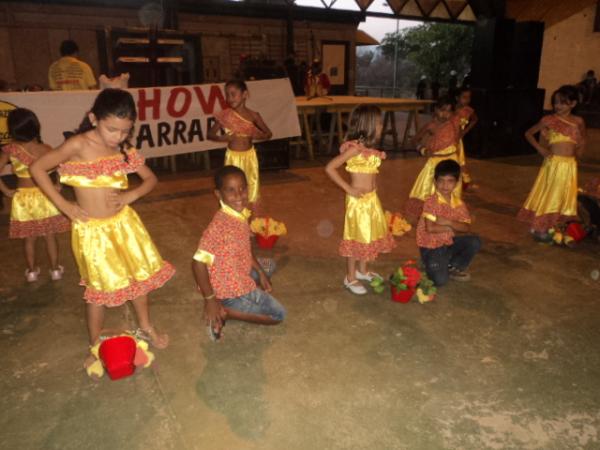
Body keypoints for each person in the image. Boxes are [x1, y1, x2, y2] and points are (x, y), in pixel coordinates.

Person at [30, 89, 174, 372]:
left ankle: (146, 327)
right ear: (94, 118)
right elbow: (37, 168)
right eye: (112, 129)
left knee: (139, 281)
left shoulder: (124, 149)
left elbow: (150, 179)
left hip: (125, 227)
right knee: (97, 291)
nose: (118, 137)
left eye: (125, 131)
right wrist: (64, 205)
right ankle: (95, 344)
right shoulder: (78, 145)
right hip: (92, 233)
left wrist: (129, 196)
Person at [192, 165, 285, 340]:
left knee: (268, 265)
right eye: (231, 190)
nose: (239, 195)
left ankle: (238, 295)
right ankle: (224, 311)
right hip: (228, 288)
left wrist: (260, 273)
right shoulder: (219, 227)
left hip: (233, 270)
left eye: (242, 189)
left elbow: (245, 249)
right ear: (218, 195)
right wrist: (210, 299)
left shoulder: (239, 214)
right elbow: (197, 263)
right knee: (278, 315)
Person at [325, 105, 395, 295]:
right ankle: (350, 276)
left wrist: (375, 188)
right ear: (369, 125)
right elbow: (330, 168)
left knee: (369, 235)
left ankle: (363, 271)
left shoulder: (370, 149)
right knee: (356, 237)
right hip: (358, 203)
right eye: (379, 123)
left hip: (371, 200)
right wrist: (348, 188)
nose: (382, 126)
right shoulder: (354, 149)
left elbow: (371, 172)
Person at [0, 108, 70, 282]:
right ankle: (55, 270)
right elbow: (61, 167)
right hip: (45, 195)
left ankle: (31, 271)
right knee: (49, 236)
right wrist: (57, 185)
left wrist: (6, 190)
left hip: (23, 199)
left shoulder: (10, 150)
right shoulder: (45, 148)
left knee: (29, 238)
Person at [517, 85, 586, 241]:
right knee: (550, 195)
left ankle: (555, 225)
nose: (558, 106)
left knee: (564, 196)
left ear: (573, 104)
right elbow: (528, 133)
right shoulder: (549, 120)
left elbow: (582, 140)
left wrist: (577, 156)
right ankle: (539, 226)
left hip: (569, 166)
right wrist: (540, 149)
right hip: (553, 164)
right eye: (556, 102)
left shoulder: (578, 121)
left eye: (563, 102)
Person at [208, 79, 272, 210]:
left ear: (244, 95)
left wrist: (257, 136)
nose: (229, 98)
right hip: (233, 158)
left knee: (250, 189)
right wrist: (224, 138)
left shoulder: (254, 115)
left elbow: (268, 134)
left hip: (250, 158)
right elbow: (210, 134)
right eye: (227, 95)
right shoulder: (226, 116)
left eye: (233, 94)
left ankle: (249, 220)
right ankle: (230, 218)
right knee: (230, 188)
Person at [417, 160, 481, 286]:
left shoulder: (459, 204)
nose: (445, 186)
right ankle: (427, 261)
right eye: (441, 181)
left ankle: (452, 266)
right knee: (439, 281)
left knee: (474, 241)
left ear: (456, 184)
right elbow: (430, 228)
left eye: (450, 181)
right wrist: (450, 229)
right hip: (431, 246)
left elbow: (466, 228)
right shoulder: (431, 201)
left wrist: (448, 223)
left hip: (447, 242)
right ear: (435, 182)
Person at [405, 96, 461, 218]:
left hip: (451, 160)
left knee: (448, 190)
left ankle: (445, 215)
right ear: (435, 109)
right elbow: (414, 140)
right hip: (434, 163)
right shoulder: (431, 125)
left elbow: (458, 142)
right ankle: (430, 216)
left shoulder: (454, 124)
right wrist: (423, 150)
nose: (445, 114)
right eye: (442, 110)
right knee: (430, 191)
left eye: (449, 111)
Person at [454, 87, 478, 190]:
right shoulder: (452, 109)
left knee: (461, 161)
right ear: (457, 98)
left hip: (458, 140)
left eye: (469, 97)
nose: (467, 100)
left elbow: (475, 120)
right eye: (464, 97)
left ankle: (465, 182)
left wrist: (464, 131)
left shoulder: (469, 110)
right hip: (449, 139)